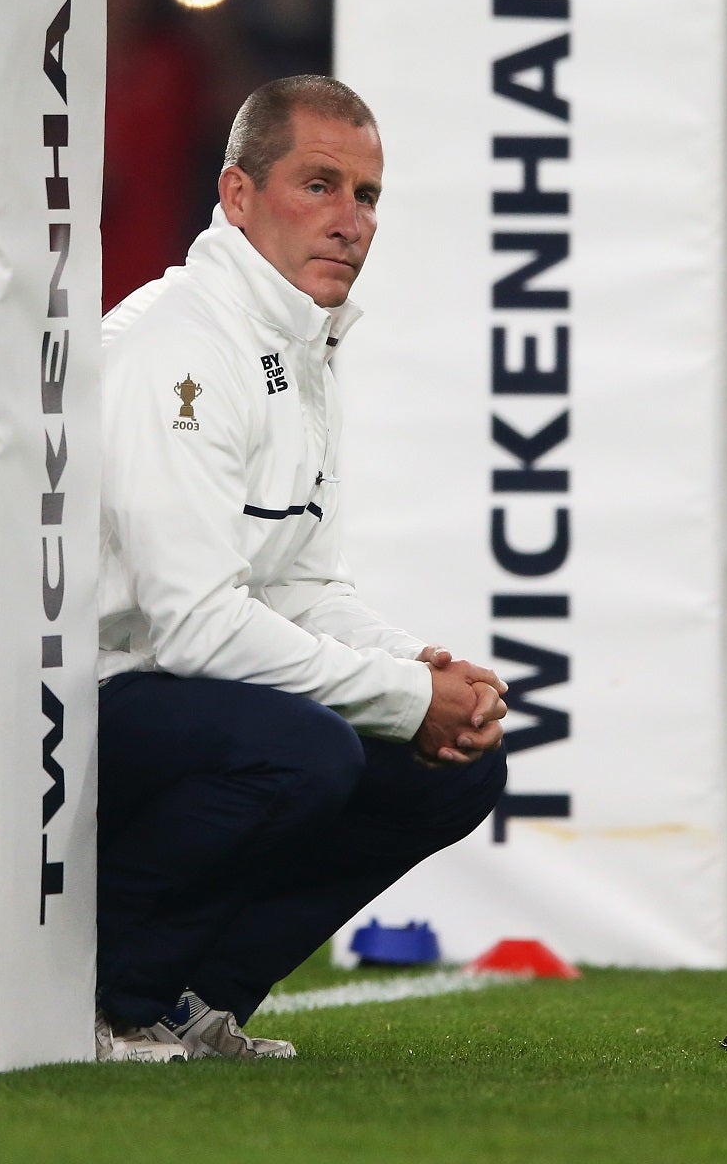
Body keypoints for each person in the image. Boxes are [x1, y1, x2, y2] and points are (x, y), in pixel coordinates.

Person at [93, 74, 510, 1063]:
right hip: (79, 702)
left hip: (173, 697)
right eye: (316, 185)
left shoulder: (294, 349)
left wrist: (421, 670)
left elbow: (301, 584)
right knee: (306, 749)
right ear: (237, 196)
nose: (348, 220)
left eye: (365, 196)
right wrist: (401, 694)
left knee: (450, 769)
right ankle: (106, 996)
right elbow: (193, 625)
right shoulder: (178, 350)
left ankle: (197, 994)